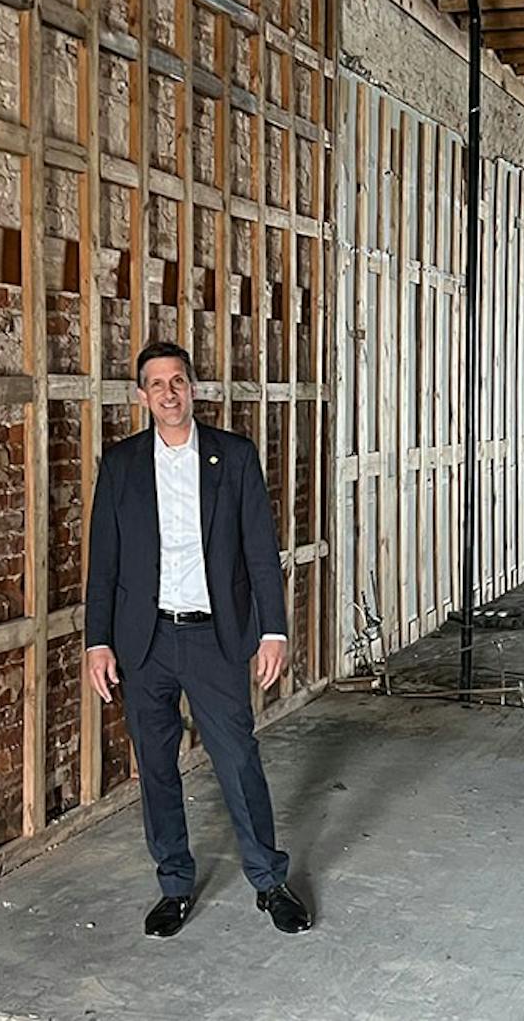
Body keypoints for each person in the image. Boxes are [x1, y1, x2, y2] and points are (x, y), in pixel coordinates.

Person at [84, 340, 312, 938]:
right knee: (156, 767)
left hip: (215, 638)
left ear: (193, 387)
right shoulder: (122, 464)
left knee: (237, 760)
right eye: (156, 384)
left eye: (178, 381)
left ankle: (268, 881)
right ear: (142, 396)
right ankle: (175, 885)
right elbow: (102, 563)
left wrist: (272, 630)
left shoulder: (232, 458)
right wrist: (97, 642)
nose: (169, 393)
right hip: (147, 640)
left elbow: (261, 551)